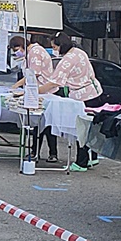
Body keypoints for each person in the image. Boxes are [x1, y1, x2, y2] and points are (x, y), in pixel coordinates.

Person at [32, 33, 104, 170]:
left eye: (54, 46)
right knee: (91, 127)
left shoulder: (67, 61)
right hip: (95, 91)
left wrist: (36, 91)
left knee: (81, 129)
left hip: (82, 96)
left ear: (61, 45)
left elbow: (54, 82)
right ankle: (92, 158)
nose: (54, 49)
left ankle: (81, 162)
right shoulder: (80, 52)